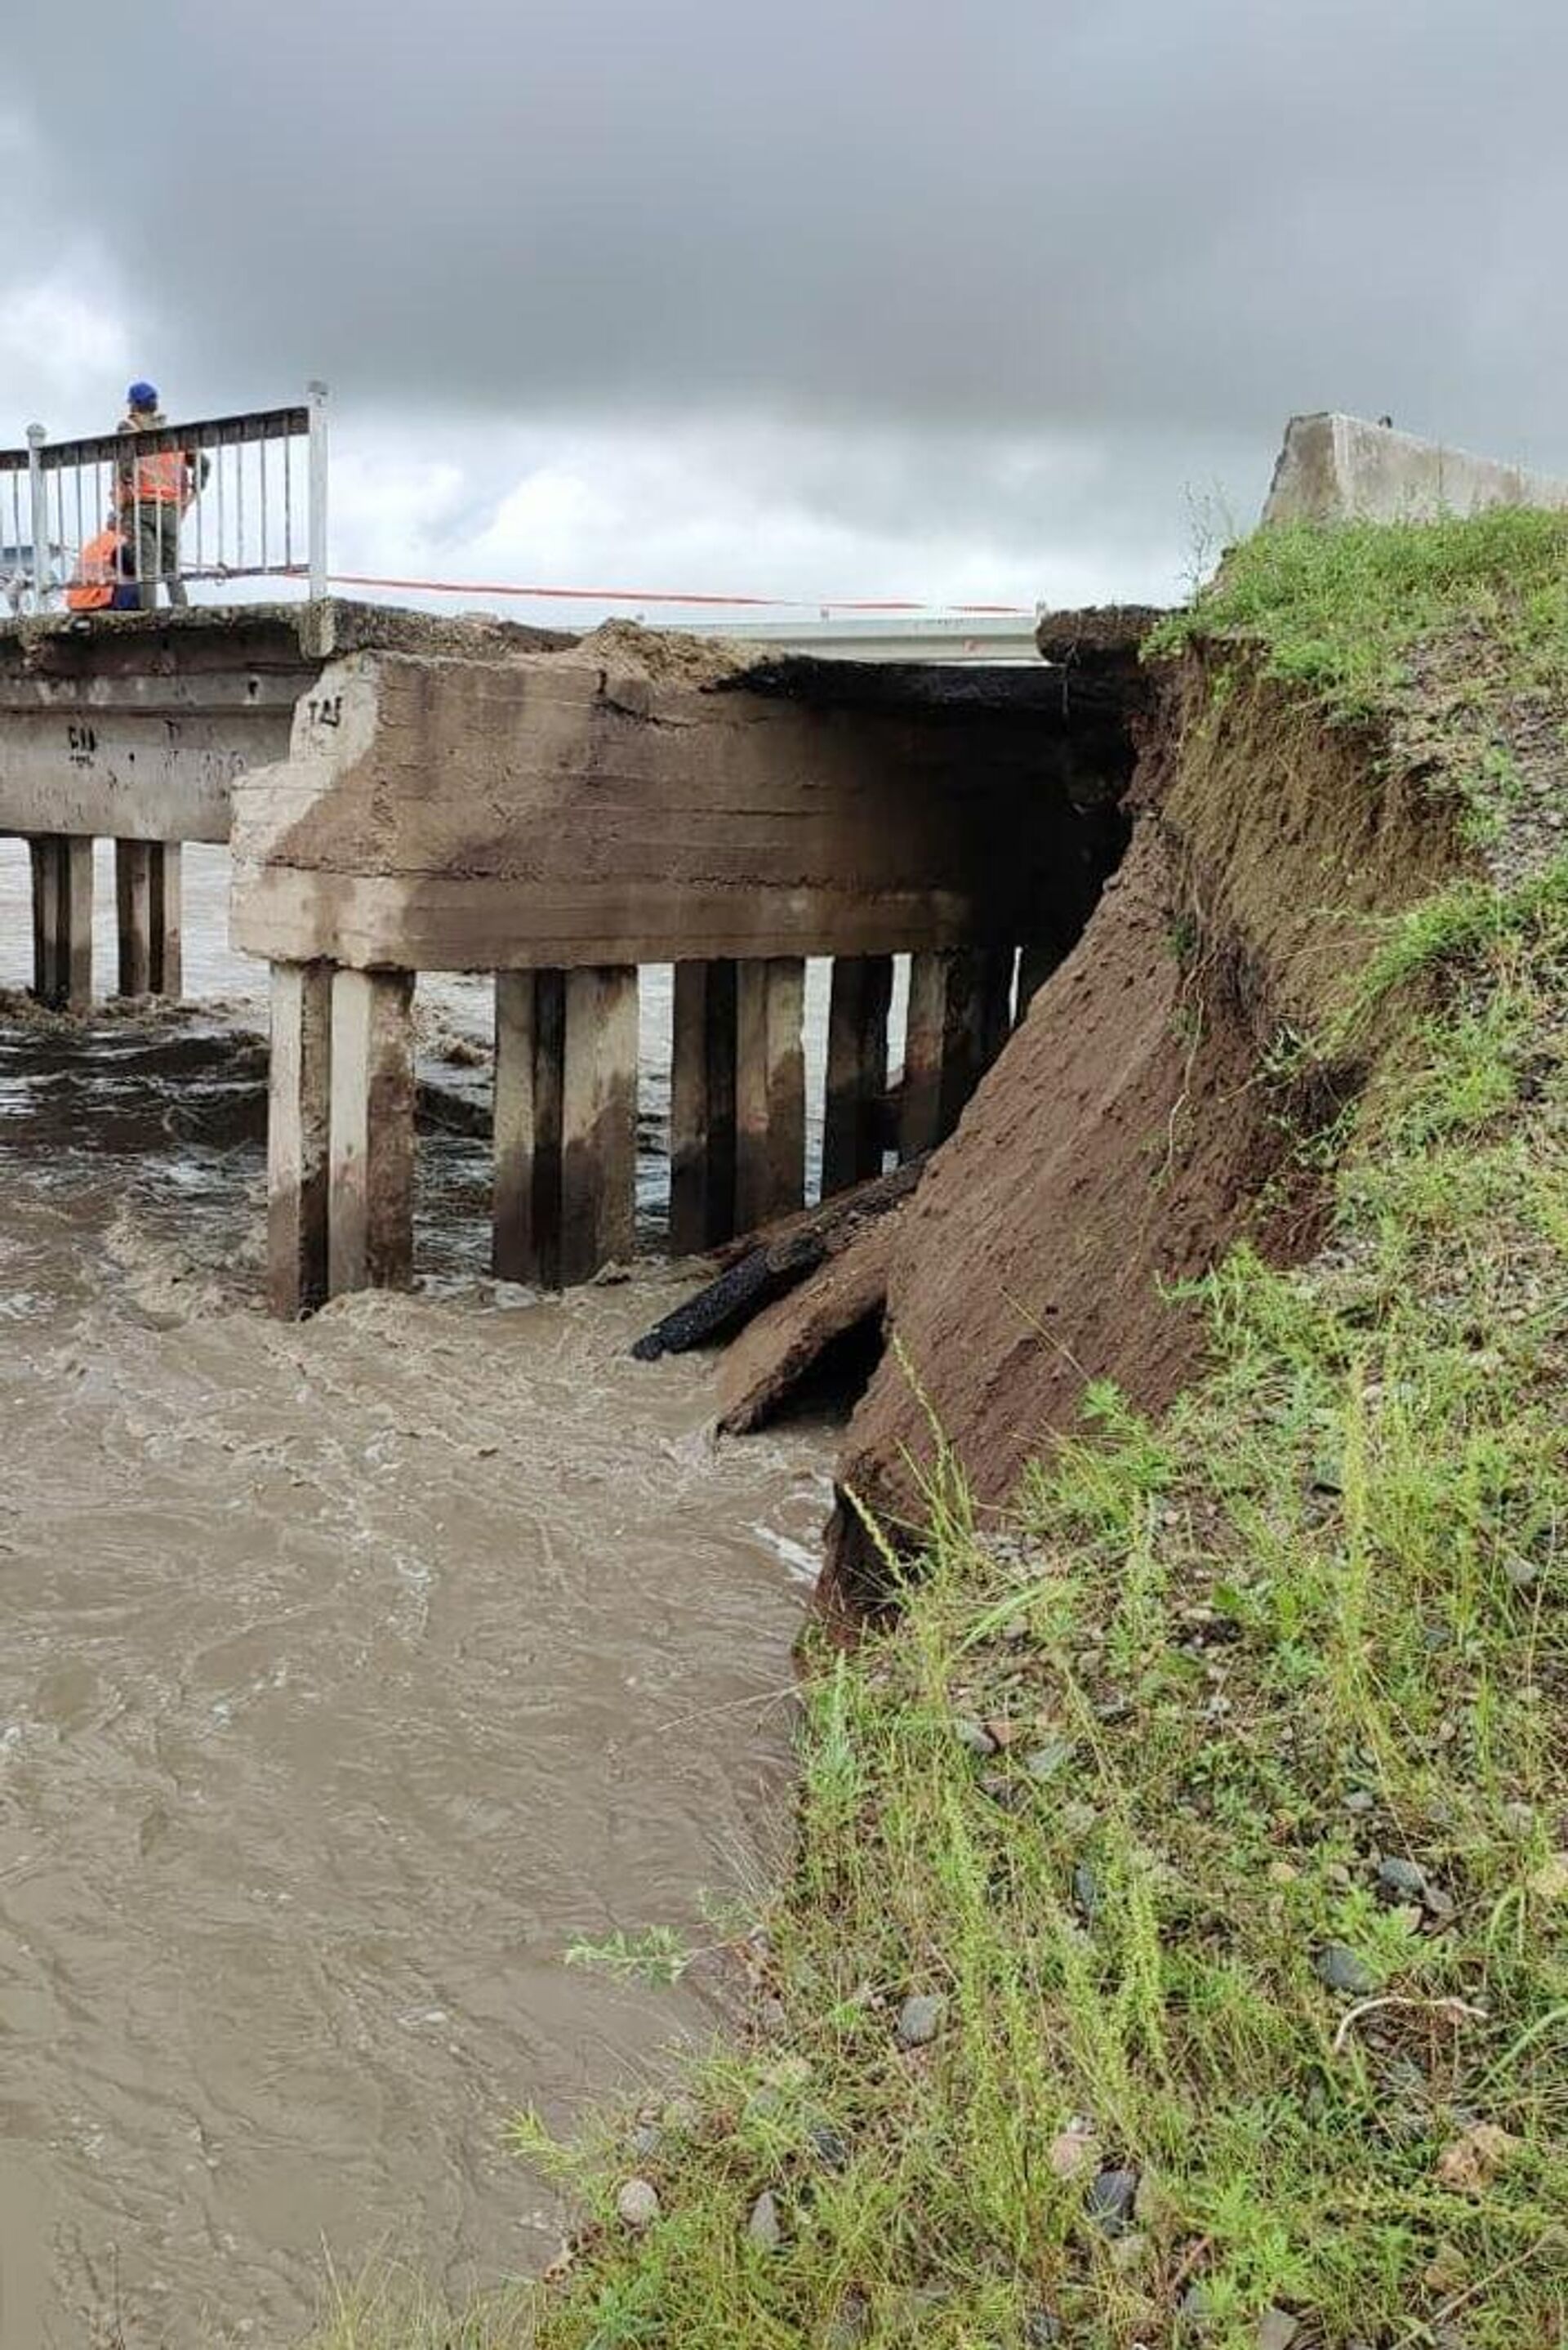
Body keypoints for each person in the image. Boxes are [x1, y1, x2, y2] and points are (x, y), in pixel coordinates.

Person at [115, 381, 206, 610]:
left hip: (141, 506)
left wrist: (125, 486)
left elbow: (125, 464)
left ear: (134, 405)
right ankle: (181, 608)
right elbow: (204, 463)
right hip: (170, 507)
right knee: (171, 565)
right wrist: (195, 491)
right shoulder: (175, 436)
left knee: (146, 565)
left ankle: (149, 614)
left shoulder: (128, 427)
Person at [65, 515, 140, 613]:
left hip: (77, 602)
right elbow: (132, 568)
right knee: (133, 582)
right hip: (96, 601)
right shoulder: (120, 541)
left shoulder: (98, 542)